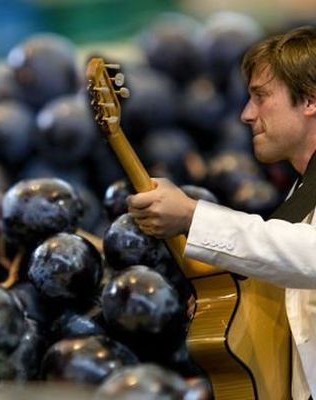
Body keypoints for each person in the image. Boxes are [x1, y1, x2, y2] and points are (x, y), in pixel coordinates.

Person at [127, 26, 316, 399]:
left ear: (310, 100)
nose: (246, 114)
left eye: (260, 97)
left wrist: (193, 216)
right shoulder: (304, 186)